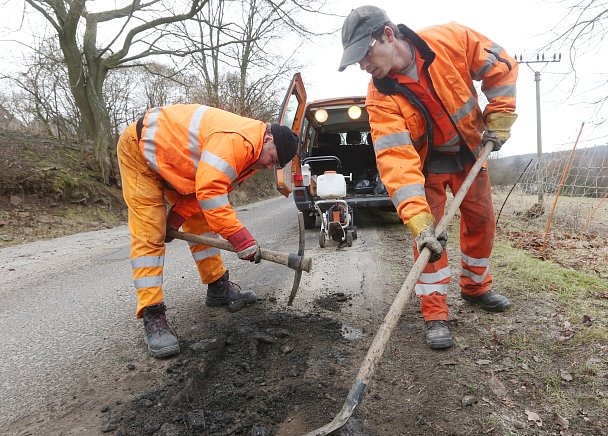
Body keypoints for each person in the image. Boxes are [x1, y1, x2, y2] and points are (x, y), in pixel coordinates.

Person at [339, 6, 518, 349]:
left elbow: (502, 66)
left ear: (388, 35)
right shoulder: (379, 97)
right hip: (428, 167)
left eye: (365, 53)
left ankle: (475, 287)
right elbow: (395, 159)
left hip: (469, 151)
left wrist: (500, 116)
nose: (363, 64)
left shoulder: (450, 39)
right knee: (429, 240)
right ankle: (435, 314)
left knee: (482, 222)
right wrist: (417, 219)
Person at [117, 104, 299, 358]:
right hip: (141, 153)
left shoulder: (251, 157)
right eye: (273, 159)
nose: (270, 167)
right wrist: (240, 238)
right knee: (150, 233)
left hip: (176, 165)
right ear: (268, 139)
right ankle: (152, 313)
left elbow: (204, 196)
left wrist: (175, 218)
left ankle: (217, 287)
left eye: (276, 165)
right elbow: (211, 192)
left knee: (202, 221)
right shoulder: (238, 141)